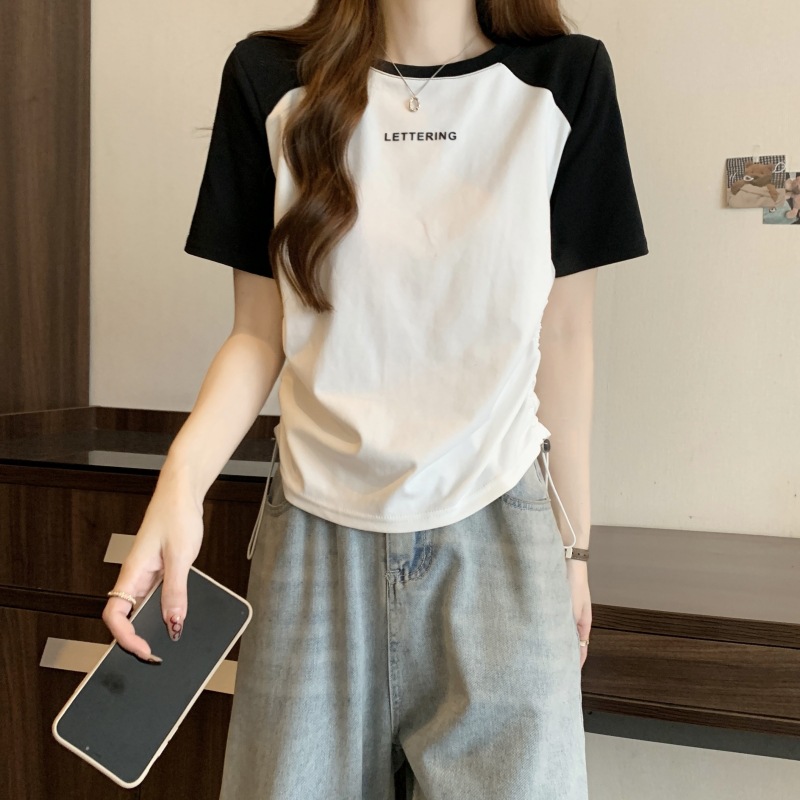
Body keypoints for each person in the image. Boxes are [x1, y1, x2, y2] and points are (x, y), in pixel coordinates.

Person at [103, 0, 648, 797]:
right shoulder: (269, 80)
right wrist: (179, 486)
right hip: (313, 537)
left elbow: (564, 337)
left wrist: (574, 552)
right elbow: (257, 332)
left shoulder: (565, 81)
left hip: (500, 533)